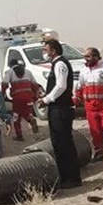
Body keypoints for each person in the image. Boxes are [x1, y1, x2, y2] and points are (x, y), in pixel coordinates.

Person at [39, 39, 82, 189]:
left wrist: (47, 99)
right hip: (56, 108)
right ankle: (65, 177)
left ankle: (72, 178)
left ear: (54, 51)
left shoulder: (60, 64)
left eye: (46, 50)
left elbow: (61, 86)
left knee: (64, 144)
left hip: (61, 109)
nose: (44, 52)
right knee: (58, 143)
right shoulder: (55, 64)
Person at [1, 59, 41, 141]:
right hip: (28, 97)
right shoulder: (28, 71)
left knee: (16, 117)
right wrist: (36, 96)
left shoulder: (10, 72)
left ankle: (19, 136)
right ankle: (31, 120)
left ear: (10, 65)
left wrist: (2, 94)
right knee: (27, 113)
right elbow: (34, 84)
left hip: (17, 98)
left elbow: (4, 83)